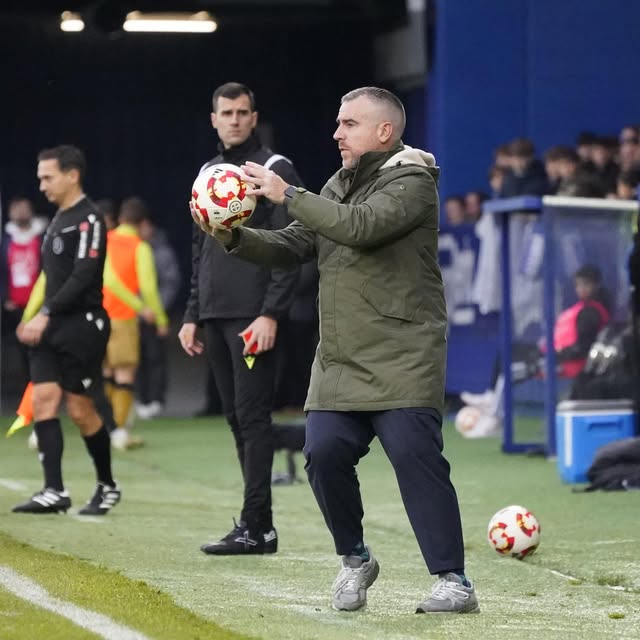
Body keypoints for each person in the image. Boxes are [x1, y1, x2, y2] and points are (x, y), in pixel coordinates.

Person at [204, 87, 479, 613]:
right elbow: (293, 244)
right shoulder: (337, 184)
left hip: (402, 355)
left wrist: (289, 193)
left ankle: (454, 581)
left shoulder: (414, 182)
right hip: (340, 359)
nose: (336, 133)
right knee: (323, 454)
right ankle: (355, 559)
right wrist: (231, 236)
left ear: (384, 131)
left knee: (415, 459)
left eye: (348, 123)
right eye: (337, 123)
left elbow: (361, 227)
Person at [178, 82, 302, 556]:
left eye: (242, 111)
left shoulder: (274, 171)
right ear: (213, 119)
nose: (233, 119)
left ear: (254, 117)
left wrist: (271, 313)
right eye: (225, 112)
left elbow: (296, 243)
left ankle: (256, 528)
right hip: (214, 314)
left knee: (251, 420)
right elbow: (199, 247)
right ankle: (259, 522)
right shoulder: (208, 172)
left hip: (253, 317)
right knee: (236, 420)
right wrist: (192, 313)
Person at [12, 144, 120, 516]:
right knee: (43, 399)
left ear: (72, 175)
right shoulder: (56, 220)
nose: (41, 185)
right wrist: (32, 316)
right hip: (50, 324)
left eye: (48, 177)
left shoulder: (89, 219)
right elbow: (50, 279)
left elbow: (85, 274)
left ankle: (107, 485)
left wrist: (47, 313)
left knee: (79, 409)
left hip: (82, 326)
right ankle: (53, 490)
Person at [102, 196, 169, 450]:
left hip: (98, 315)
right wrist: (155, 315)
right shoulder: (140, 247)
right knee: (125, 374)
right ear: (142, 223)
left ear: (120, 219)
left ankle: (104, 426)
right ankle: (117, 430)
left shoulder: (104, 240)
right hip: (122, 317)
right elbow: (149, 287)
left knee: (106, 373)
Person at [135, 211, 182, 419]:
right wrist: (137, 308)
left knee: (155, 357)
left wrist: (157, 310)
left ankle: (155, 400)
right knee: (136, 359)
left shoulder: (162, 251)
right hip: (133, 314)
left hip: (156, 315)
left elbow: (169, 283)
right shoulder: (133, 247)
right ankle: (141, 399)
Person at [0, 196, 47, 389]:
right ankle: (26, 390)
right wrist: (5, 298)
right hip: (14, 307)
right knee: (20, 350)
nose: (20, 212)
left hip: (39, 306)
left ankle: (44, 386)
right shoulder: (5, 240)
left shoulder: (42, 238)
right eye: (16, 209)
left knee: (42, 349)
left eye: (24, 208)